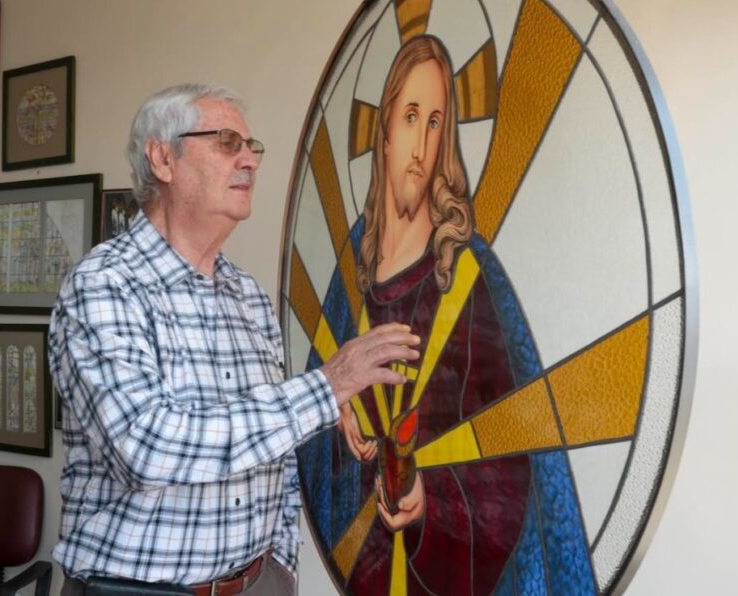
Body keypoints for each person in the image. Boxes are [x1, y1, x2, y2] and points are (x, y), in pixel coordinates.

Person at [48, 83, 421, 595]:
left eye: (252, 147)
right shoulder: (105, 286)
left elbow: (277, 453)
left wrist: (280, 568)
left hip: (258, 582)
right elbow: (145, 448)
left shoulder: (246, 295)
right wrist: (326, 388)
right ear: (162, 158)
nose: (249, 160)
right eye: (226, 142)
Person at [298, 35, 592, 594]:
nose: (420, 145)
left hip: (452, 569)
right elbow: (314, 417)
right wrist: (334, 409)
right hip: (368, 568)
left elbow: (511, 450)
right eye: (411, 116)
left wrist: (430, 497)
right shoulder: (353, 266)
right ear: (384, 131)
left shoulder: (466, 271)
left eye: (436, 122)